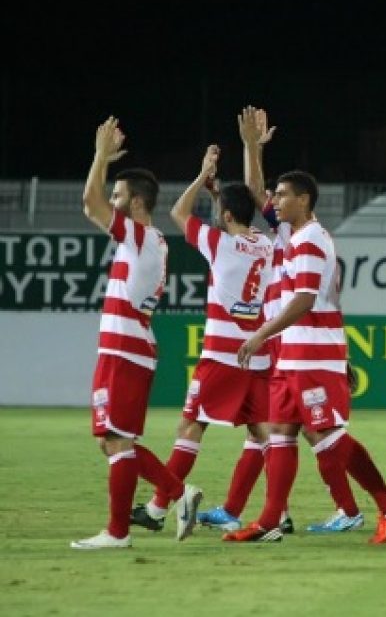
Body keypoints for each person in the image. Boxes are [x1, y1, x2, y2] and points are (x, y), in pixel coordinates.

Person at [223, 165, 386, 544]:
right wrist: (252, 148)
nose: (274, 201)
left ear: (304, 199)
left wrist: (260, 334)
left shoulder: (311, 239)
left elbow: (305, 300)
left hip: (313, 354)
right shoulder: (294, 236)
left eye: (282, 195)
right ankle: (270, 520)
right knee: (280, 433)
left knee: (327, 436)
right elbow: (257, 192)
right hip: (292, 355)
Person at [128, 145, 274, 535]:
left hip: (223, 355)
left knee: (190, 426)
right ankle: (272, 511)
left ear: (225, 217)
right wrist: (218, 193)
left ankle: (158, 507)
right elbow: (235, 219)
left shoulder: (219, 244)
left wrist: (201, 175)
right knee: (262, 435)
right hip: (259, 355)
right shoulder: (266, 244)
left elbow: (178, 212)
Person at [71, 116, 202, 549]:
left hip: (125, 350)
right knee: (113, 441)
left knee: (117, 440)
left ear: (138, 202)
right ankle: (179, 494)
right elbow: (95, 205)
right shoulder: (144, 241)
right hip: (125, 347)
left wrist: (100, 156)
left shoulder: (141, 237)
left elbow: (89, 204)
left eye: (119, 195)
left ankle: (118, 532)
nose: (112, 200)